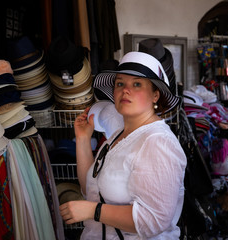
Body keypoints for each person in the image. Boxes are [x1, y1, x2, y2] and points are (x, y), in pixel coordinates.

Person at [59, 51, 187, 239]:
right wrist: (83, 139)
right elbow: (92, 190)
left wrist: (93, 211)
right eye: (120, 83)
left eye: (137, 84)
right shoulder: (117, 138)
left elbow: (153, 220)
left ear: (155, 96)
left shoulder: (157, 142)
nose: (126, 90)